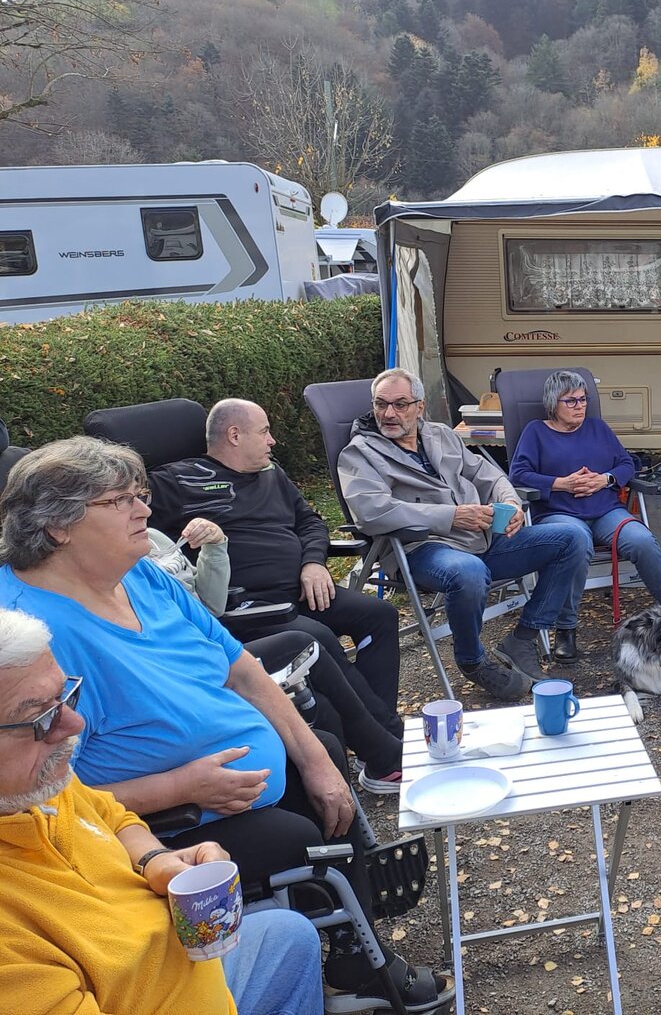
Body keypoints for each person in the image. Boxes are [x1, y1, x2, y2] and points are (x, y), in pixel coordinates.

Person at [0, 437, 451, 1012]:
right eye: (120, 500)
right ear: (59, 526)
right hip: (163, 818)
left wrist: (314, 760)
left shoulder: (141, 577)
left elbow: (241, 668)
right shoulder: (26, 640)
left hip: (227, 782)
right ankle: (352, 952)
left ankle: (349, 939)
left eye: (140, 494)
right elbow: (45, 792)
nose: (144, 509)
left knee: (323, 750)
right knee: (297, 838)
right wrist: (181, 787)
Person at [0, 607, 323, 1015]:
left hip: (175, 960)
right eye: (41, 718)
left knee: (290, 936)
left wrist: (156, 860)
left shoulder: (35, 788)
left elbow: (111, 815)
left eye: (65, 696)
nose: (75, 724)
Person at [148, 398, 405, 779]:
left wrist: (313, 562)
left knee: (379, 616)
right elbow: (135, 528)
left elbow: (310, 522)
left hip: (299, 588)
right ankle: (386, 751)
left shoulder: (272, 474)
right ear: (234, 435)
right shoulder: (176, 482)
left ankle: (381, 734)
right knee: (317, 637)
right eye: (265, 431)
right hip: (246, 604)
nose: (273, 441)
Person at [339, 367, 592, 699]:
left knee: (573, 538)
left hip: (481, 539)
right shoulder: (360, 453)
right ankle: (473, 661)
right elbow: (371, 511)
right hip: (422, 547)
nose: (389, 413)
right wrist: (452, 516)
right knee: (469, 571)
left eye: (400, 404)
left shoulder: (440, 435)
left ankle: (523, 638)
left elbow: (488, 474)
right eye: (381, 404)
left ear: (419, 407)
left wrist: (511, 503)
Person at [147, 518, 405, 793]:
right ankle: (388, 755)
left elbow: (210, 606)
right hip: (203, 648)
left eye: (143, 497)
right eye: (126, 499)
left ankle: (386, 747)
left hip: (229, 630)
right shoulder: (132, 565)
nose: (143, 508)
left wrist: (216, 546)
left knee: (374, 620)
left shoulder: (153, 538)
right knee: (303, 645)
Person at [509, 369, 661, 630]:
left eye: (583, 399)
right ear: (553, 403)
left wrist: (606, 479)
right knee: (577, 544)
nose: (579, 406)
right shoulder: (535, 432)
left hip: (605, 511)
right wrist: (561, 484)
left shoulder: (597, 428)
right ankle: (566, 629)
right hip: (559, 512)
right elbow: (518, 474)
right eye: (571, 400)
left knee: (642, 541)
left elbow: (627, 463)